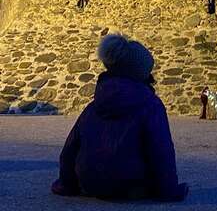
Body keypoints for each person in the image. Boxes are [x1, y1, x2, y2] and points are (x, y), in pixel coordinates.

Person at [51, 34, 189, 202]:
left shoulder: (93, 107)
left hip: (91, 183)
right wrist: (170, 191)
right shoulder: (150, 105)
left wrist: (66, 185)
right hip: (130, 186)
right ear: (142, 73)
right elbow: (161, 150)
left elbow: (69, 150)